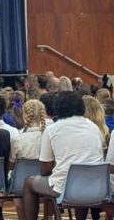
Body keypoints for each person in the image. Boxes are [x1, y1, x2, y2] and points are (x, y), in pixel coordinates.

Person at [23, 91, 104, 220]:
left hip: (65, 188)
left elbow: (45, 169)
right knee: (80, 179)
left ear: (57, 108)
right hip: (95, 187)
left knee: (29, 182)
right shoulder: (94, 128)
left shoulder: (52, 130)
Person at [9, 100, 46, 220]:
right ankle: (49, 216)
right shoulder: (49, 137)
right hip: (44, 182)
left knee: (17, 192)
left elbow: (11, 164)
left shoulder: (17, 138)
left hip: (20, 185)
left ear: (24, 115)